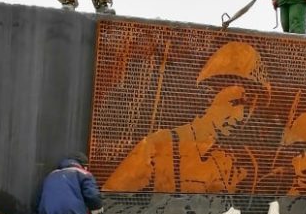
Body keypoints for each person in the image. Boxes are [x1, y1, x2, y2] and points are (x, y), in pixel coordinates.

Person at [104, 41, 270, 193]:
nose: (241, 116)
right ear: (208, 95)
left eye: (248, 108)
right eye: (235, 103)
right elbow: (110, 207)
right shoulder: (159, 146)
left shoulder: (235, 161)